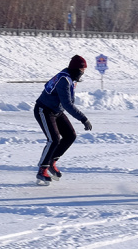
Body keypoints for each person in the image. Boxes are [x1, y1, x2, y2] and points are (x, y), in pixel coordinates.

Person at [33, 55, 93, 185]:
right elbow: (67, 104)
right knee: (53, 139)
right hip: (44, 110)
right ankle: (42, 169)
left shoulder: (70, 77)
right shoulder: (64, 80)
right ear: (76, 69)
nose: (83, 73)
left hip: (56, 111)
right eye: (82, 70)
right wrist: (83, 118)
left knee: (70, 135)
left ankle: (51, 162)